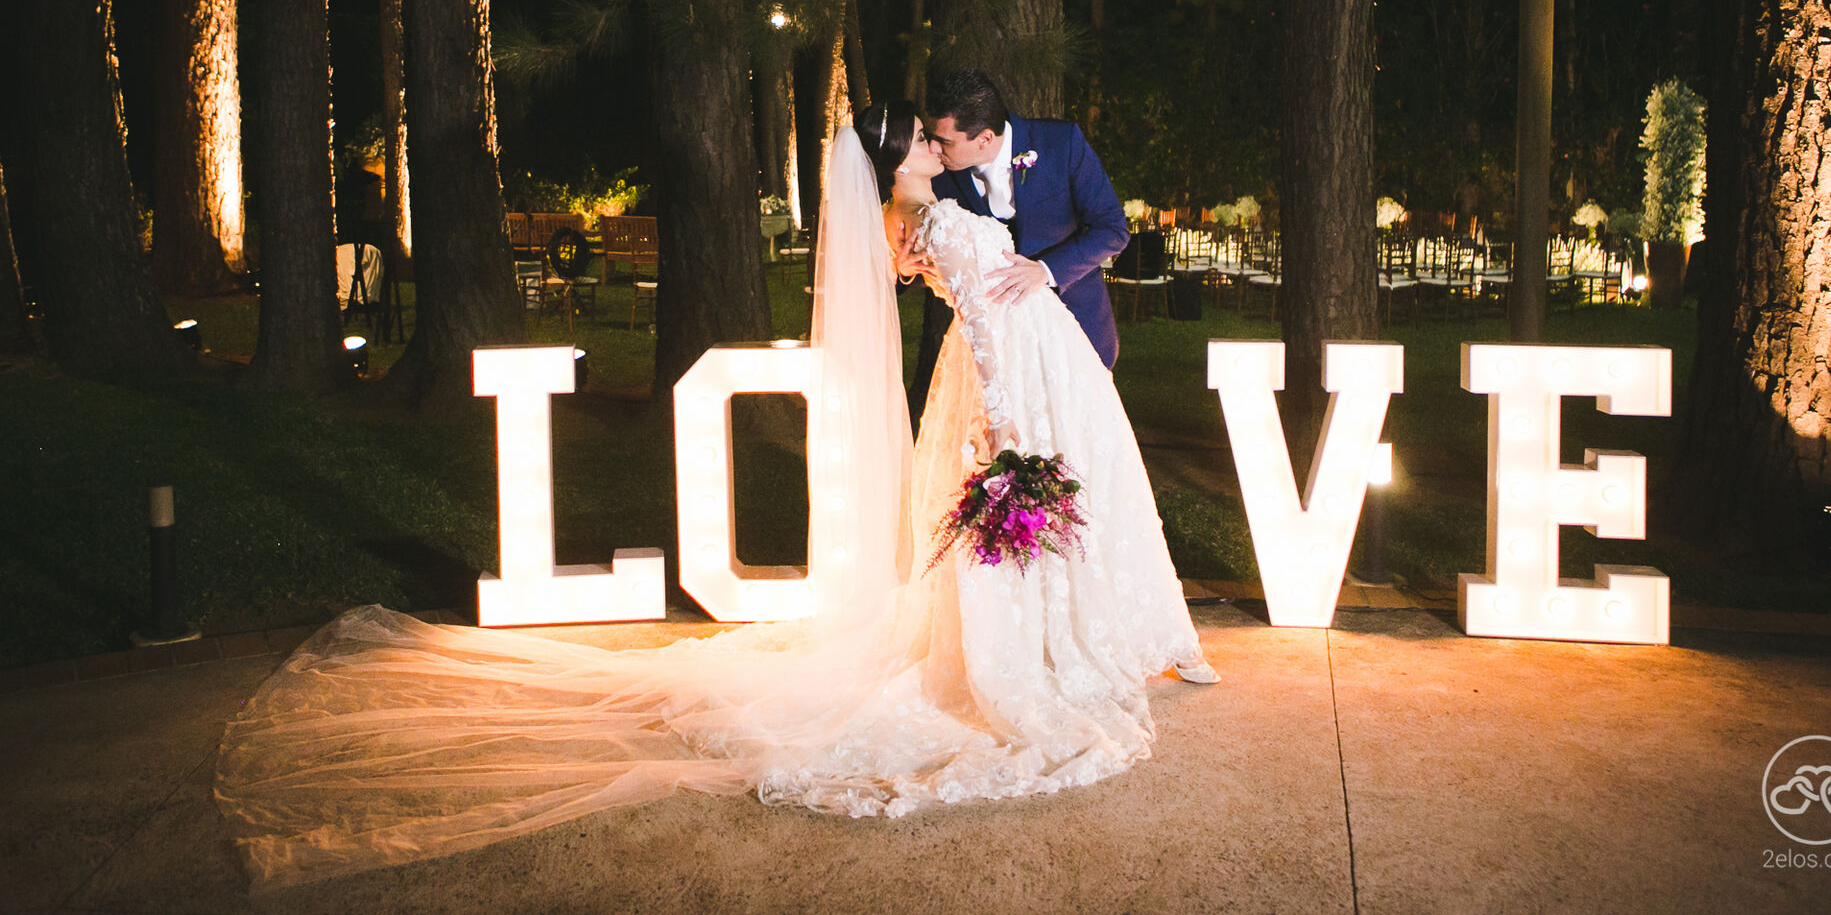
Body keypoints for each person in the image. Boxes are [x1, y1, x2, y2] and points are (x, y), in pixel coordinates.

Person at [214, 112, 1211, 889]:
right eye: (922, 132)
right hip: (998, 392)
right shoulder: (938, 216)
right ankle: (1021, 651)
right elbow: (987, 328)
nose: (937, 136)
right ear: (901, 152)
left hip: (1000, 382)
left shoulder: (920, 218)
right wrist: (1007, 442)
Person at [907, 69, 1130, 422]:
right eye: (931, 138)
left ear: (984, 138)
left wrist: (1046, 271)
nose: (934, 149)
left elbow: (1113, 229)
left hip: (1078, 329)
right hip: (1000, 349)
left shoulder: (1061, 143)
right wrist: (910, 269)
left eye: (944, 141)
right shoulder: (940, 174)